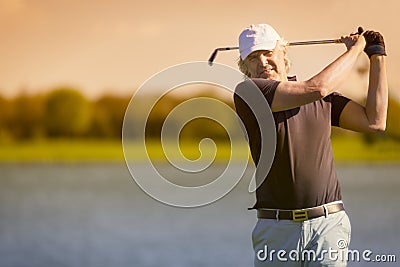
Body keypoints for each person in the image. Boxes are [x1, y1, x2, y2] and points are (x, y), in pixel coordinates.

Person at [233, 24, 388, 266]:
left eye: (268, 53)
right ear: (245, 67)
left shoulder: (323, 101)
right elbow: (318, 87)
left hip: (328, 225)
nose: (262, 62)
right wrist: (355, 50)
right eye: (253, 57)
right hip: (277, 230)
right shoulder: (249, 92)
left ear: (284, 53)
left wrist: (376, 55)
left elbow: (375, 121)